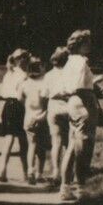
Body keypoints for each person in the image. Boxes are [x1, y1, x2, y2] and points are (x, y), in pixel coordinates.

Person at [61, 29, 101, 201]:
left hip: (73, 102)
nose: (90, 45)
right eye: (87, 42)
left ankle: (66, 186)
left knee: (72, 144)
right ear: (80, 45)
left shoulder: (70, 61)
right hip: (83, 102)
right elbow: (78, 86)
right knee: (83, 146)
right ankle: (80, 187)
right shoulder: (80, 62)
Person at [0, 49, 30, 183]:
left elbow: (3, 93)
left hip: (7, 105)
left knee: (8, 138)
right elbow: (23, 95)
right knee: (23, 140)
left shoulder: (9, 74)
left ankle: (2, 170)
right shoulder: (24, 76)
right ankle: (26, 173)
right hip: (19, 106)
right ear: (22, 60)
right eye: (26, 59)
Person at [42, 47, 70, 185]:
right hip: (68, 108)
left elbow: (44, 94)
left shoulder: (48, 75)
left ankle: (55, 172)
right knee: (67, 142)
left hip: (54, 107)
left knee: (56, 142)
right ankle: (67, 172)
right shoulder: (70, 74)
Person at [22, 56, 50, 185]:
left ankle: (30, 171)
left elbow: (19, 98)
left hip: (29, 117)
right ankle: (39, 173)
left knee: (31, 145)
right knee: (42, 147)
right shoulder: (43, 83)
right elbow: (45, 101)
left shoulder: (25, 83)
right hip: (42, 116)